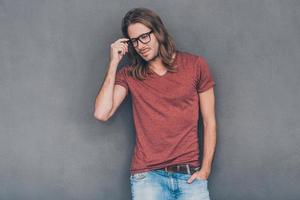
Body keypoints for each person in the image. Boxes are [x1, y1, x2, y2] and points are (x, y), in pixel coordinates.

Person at [94, 7, 217, 200]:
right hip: (147, 178)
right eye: (134, 41)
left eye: (144, 37)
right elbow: (102, 113)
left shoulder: (195, 65)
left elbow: (209, 121)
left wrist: (206, 170)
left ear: (158, 32)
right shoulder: (129, 74)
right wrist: (113, 63)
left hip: (189, 176)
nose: (140, 45)